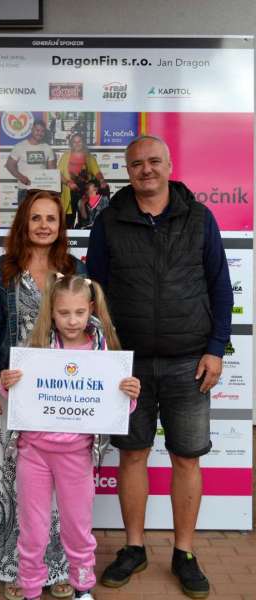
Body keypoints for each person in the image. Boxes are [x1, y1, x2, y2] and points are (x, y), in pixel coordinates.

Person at [86, 135, 233, 600]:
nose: (145, 169)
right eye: (136, 164)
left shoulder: (200, 218)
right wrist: (102, 352)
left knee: (186, 457)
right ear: (127, 171)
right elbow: (95, 291)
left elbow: (221, 288)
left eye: (153, 161)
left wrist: (215, 349)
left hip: (189, 362)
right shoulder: (108, 221)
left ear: (169, 165)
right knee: (132, 455)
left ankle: (184, 552)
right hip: (126, 365)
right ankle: (134, 548)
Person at [0, 274, 141, 600]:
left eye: (79, 312)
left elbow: (116, 406)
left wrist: (130, 394)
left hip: (77, 455)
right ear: (51, 311)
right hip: (33, 453)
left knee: (78, 528)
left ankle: (82, 588)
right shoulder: (36, 350)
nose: (72, 320)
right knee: (33, 531)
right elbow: (17, 399)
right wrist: (9, 384)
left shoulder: (104, 351)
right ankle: (31, 590)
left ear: (91, 308)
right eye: (64, 313)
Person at [0, 189, 86, 600]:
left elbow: (91, 325)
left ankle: (59, 569)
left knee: (64, 488)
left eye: (51, 219)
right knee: (15, 486)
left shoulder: (74, 268)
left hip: (65, 394)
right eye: (36, 217)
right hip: (16, 393)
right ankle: (17, 569)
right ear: (24, 221)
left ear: (61, 226)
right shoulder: (1, 270)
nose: (43, 225)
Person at [58, 133, 107, 229]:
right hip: (69, 192)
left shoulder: (89, 157)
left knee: (84, 220)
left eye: (79, 141)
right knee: (68, 221)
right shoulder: (65, 156)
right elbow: (58, 173)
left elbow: (97, 171)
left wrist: (101, 180)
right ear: (71, 143)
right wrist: (68, 183)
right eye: (74, 142)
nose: (77, 144)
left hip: (84, 192)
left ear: (83, 142)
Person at [5, 120, 56, 206]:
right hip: (25, 190)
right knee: (24, 215)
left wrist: (52, 187)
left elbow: (52, 170)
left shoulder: (47, 148)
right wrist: (21, 177)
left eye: (42, 131)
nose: (39, 133)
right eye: (37, 130)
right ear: (32, 130)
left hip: (41, 190)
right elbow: (9, 165)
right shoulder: (20, 146)